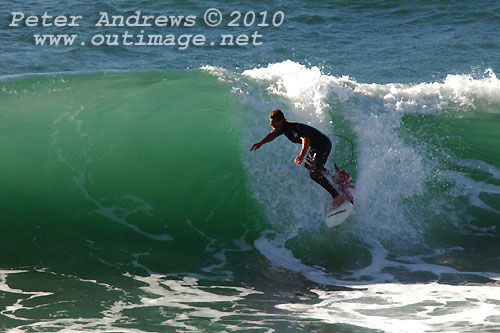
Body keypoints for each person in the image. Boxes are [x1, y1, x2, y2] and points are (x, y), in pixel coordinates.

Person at [250, 109, 345, 208]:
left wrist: (301, 155)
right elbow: (273, 135)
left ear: (280, 121)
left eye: (273, 123)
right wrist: (261, 143)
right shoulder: (282, 127)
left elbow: (306, 140)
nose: (271, 125)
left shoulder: (292, 127)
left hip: (323, 145)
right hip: (316, 146)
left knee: (314, 174)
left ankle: (337, 196)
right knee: (309, 165)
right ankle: (336, 177)